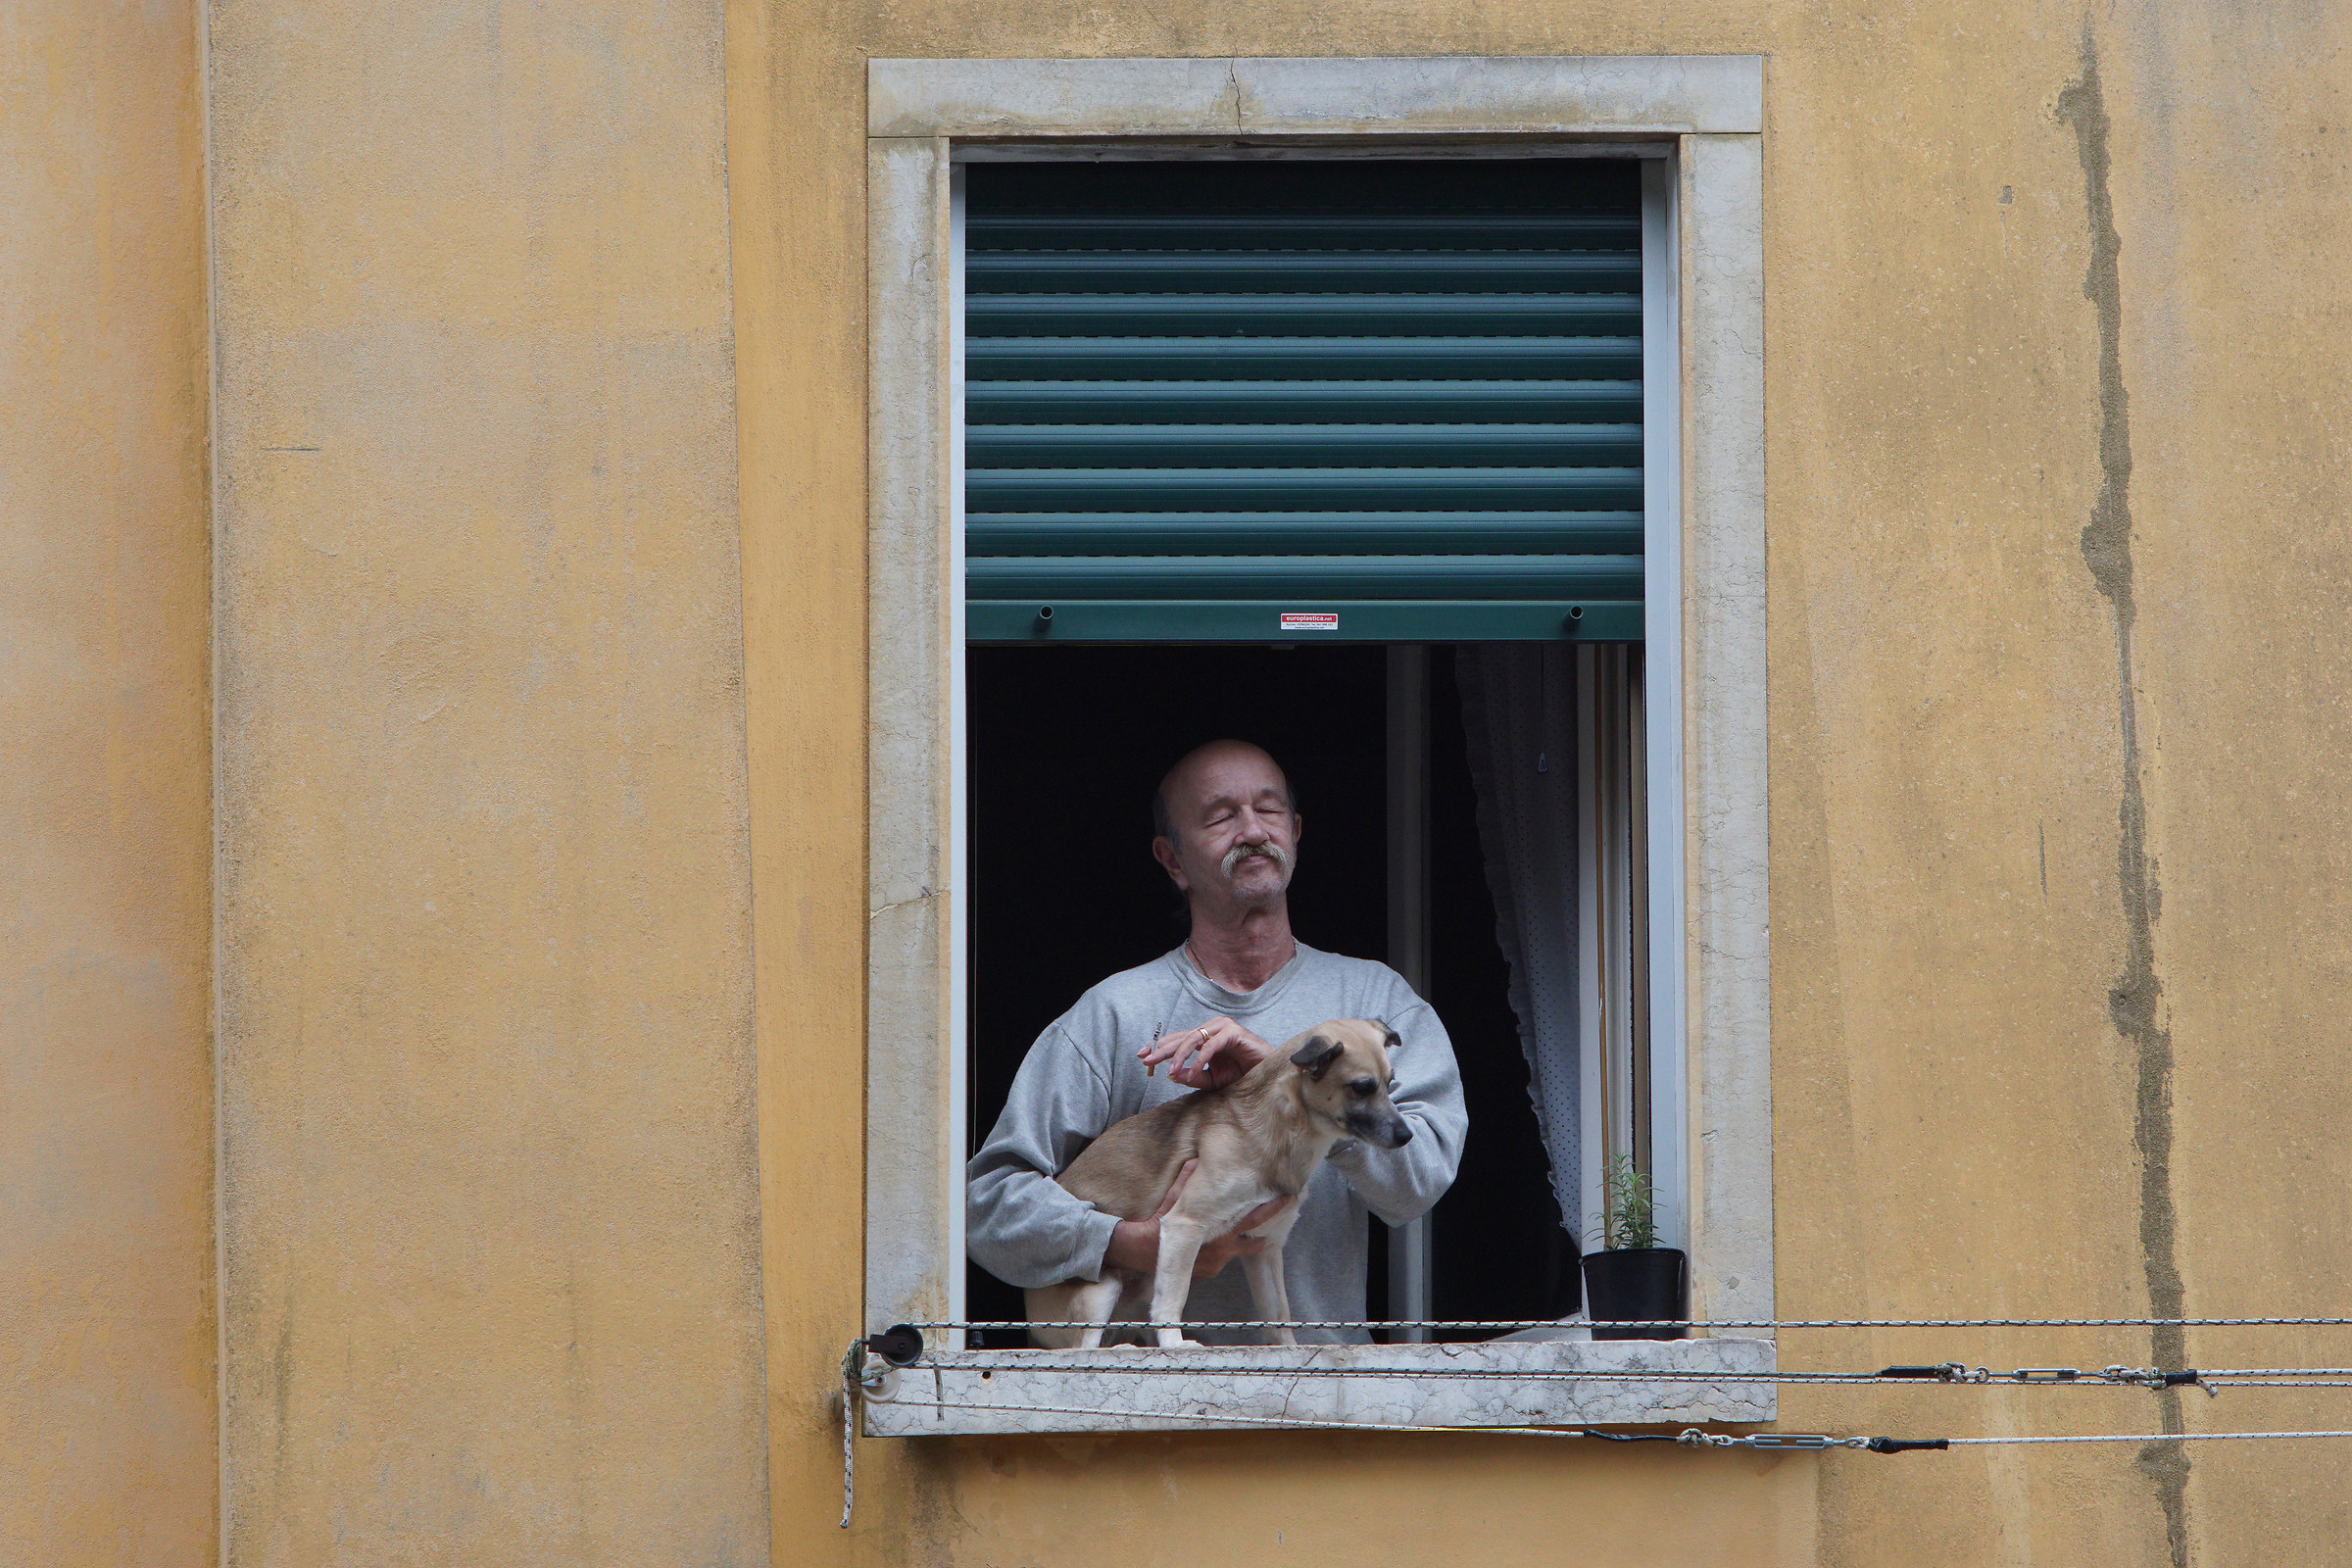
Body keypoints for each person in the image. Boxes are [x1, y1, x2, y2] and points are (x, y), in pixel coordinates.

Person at [966, 738, 1467, 1345]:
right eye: (1222, 815)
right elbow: (987, 1208)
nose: (1252, 830)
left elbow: (1418, 1185)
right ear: (1172, 860)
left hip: (1314, 1399)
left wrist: (1297, 1093)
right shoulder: (1114, 1015)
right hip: (1140, 1412)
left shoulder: (1375, 1006)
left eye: (1270, 809)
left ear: (1297, 832)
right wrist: (1131, 1244)